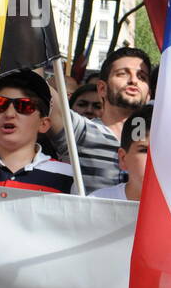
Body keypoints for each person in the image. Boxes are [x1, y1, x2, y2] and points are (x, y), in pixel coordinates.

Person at [48, 46, 151, 190]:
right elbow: (39, 88)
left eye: (142, 77)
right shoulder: (80, 131)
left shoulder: (160, 143)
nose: (134, 80)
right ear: (102, 88)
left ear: (149, 95)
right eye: (123, 74)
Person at [0, 70, 74, 193]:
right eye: (0, 104)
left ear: (43, 124)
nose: (9, 114)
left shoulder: (67, 176)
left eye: (24, 106)